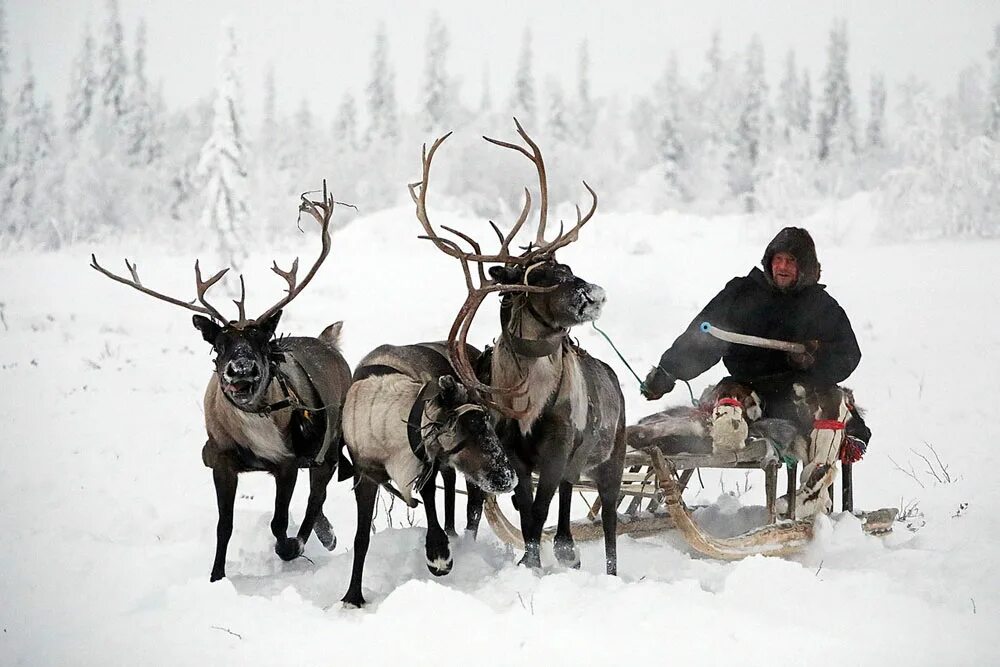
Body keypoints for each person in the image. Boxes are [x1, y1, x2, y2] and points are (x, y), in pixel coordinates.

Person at [642, 227, 869, 517]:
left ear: (806, 268)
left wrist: (815, 358)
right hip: (748, 387)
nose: (782, 267)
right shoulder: (741, 294)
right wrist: (667, 371)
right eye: (778, 260)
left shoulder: (822, 307)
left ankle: (813, 495)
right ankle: (728, 434)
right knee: (728, 402)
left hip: (797, 395)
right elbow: (704, 337)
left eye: (790, 261)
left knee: (833, 402)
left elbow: (849, 355)